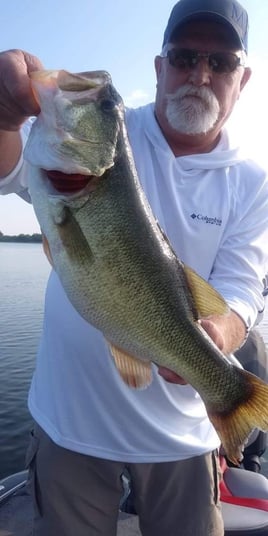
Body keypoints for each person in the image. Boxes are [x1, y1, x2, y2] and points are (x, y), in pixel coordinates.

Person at [0, 0, 268, 534]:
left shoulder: (252, 181)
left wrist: (222, 330)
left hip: (184, 439)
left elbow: (242, 284)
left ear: (243, 79)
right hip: (69, 423)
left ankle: (236, 405)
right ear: (158, 68)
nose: (200, 73)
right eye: (185, 56)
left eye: (220, 63)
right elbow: (9, 166)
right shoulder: (110, 137)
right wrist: (6, 116)